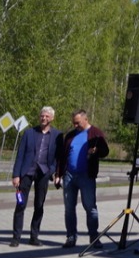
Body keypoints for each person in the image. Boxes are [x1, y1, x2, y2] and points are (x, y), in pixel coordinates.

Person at [56, 109, 109, 249]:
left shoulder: (96, 133)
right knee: (69, 208)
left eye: (77, 123)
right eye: (74, 123)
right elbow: (62, 156)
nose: (75, 125)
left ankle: (94, 237)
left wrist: (96, 151)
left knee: (90, 207)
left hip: (87, 176)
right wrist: (58, 174)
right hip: (69, 176)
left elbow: (105, 151)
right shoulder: (70, 135)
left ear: (86, 119)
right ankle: (71, 237)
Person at [11, 106, 61, 247]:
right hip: (26, 173)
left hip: (43, 174)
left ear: (52, 118)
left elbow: (58, 157)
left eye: (47, 116)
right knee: (20, 204)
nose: (43, 118)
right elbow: (20, 155)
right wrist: (16, 175)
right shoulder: (29, 133)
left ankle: (34, 236)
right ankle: (16, 237)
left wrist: (52, 171)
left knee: (39, 205)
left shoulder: (57, 135)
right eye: (42, 116)